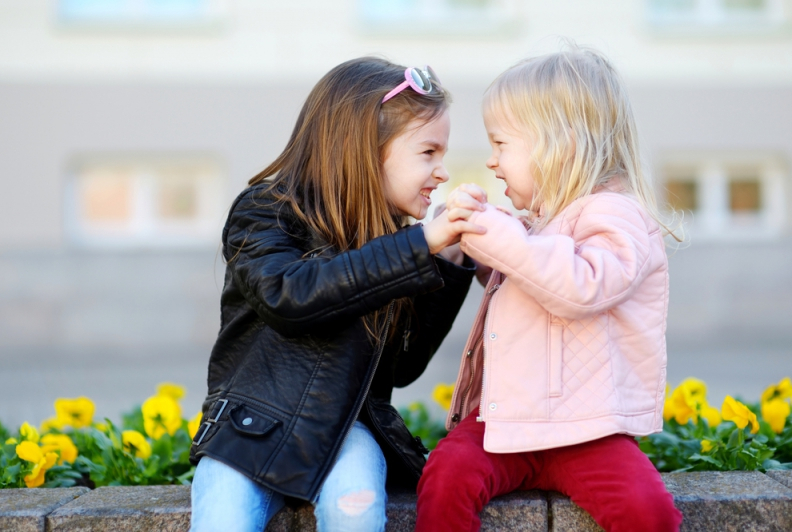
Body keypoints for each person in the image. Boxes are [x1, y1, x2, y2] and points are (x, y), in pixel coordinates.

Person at [189, 57, 487, 532]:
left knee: (357, 505)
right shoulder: (265, 211)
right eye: (428, 152)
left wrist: (445, 267)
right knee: (222, 517)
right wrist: (418, 246)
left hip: (351, 427)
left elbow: (401, 368)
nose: (442, 172)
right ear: (366, 148)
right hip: (249, 429)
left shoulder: (395, 237)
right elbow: (290, 296)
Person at [415, 47, 684, 532]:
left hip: (589, 430)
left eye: (500, 145)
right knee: (446, 475)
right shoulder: (540, 222)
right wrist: (474, 253)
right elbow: (529, 286)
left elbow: (579, 287)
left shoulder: (616, 214)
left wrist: (497, 235)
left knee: (648, 512)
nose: (493, 163)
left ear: (560, 144)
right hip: (507, 423)